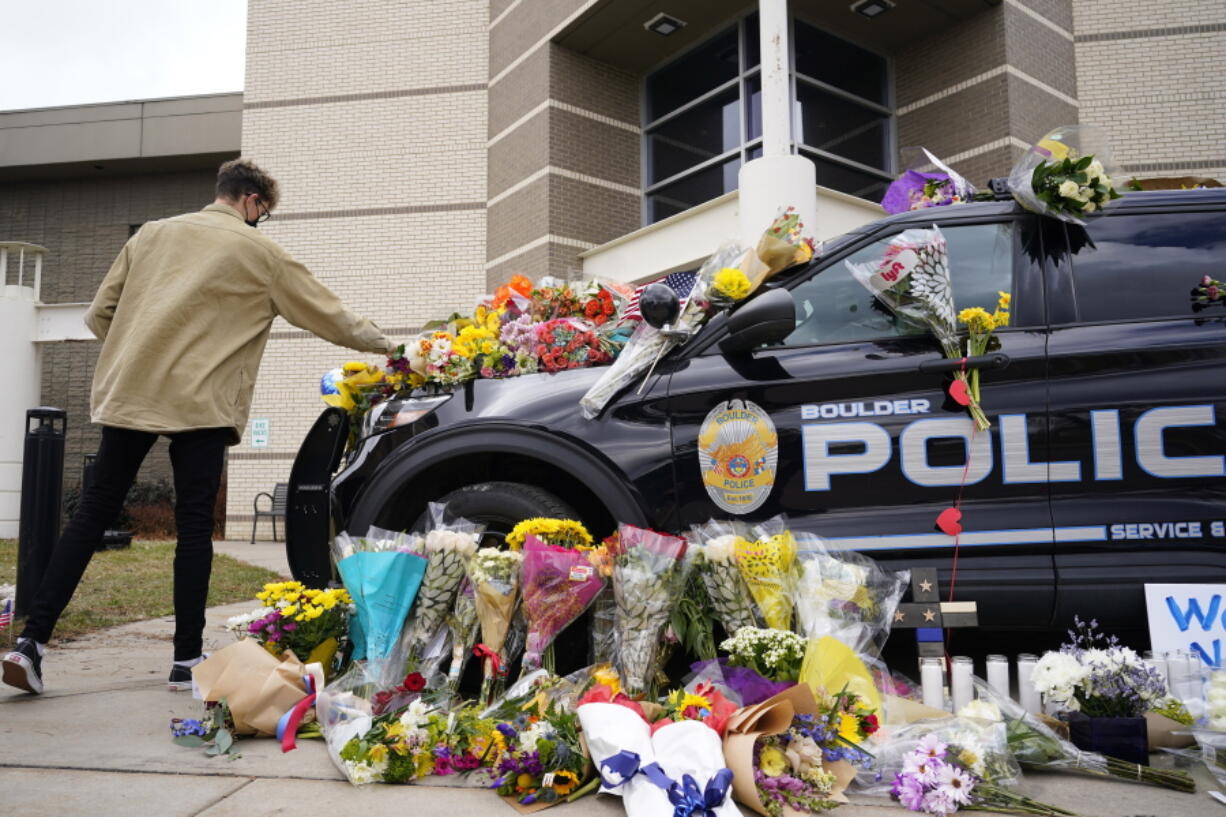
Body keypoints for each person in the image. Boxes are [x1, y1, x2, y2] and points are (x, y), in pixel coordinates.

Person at [2, 158, 394, 694]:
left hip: (132, 393)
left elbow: (99, 315)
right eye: (265, 213)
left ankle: (31, 644)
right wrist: (392, 348)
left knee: (91, 514)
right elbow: (330, 316)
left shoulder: (150, 237)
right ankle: (186, 658)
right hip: (202, 403)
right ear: (254, 202)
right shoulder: (260, 252)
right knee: (192, 528)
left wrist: (145, 344)